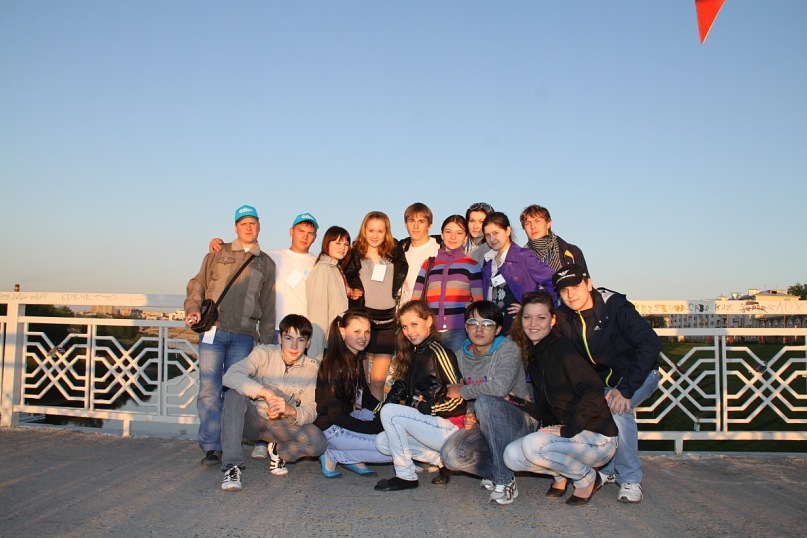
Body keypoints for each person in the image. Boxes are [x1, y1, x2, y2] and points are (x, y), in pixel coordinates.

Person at [213, 212, 319, 460]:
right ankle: (260, 441)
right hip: (276, 331)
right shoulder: (273, 256)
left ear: (315, 237)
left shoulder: (318, 262)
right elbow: (244, 251)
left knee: (296, 388)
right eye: (301, 231)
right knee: (266, 383)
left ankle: (276, 438)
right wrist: (220, 244)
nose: (305, 236)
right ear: (291, 232)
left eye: (310, 233)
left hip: (303, 333)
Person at [552, 264, 662, 503]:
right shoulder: (563, 316)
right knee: (594, 407)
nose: (570, 294)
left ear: (588, 284)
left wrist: (626, 389)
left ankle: (630, 478)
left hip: (640, 374)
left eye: (575, 286)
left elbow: (651, 343)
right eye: (563, 290)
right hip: (602, 382)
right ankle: (608, 469)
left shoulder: (614, 306)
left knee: (617, 407)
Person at [504, 291, 618, 506]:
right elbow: (549, 408)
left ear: (553, 320)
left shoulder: (562, 349)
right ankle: (561, 474)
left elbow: (593, 389)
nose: (533, 324)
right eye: (527, 317)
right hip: (571, 436)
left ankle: (586, 478)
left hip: (596, 437)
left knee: (532, 446)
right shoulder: (536, 354)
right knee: (511, 456)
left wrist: (570, 429)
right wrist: (520, 403)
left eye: (541, 317)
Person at [184, 204, 276, 469]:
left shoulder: (266, 263)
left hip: (244, 335)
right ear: (236, 227)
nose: (248, 227)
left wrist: (266, 343)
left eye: (253, 223)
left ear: (259, 227)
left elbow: (268, 304)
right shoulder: (217, 252)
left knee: (235, 393)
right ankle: (212, 447)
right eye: (243, 223)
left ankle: (231, 446)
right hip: (213, 331)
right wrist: (192, 309)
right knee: (209, 390)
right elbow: (198, 284)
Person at [439, 300, 532, 505]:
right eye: (473, 323)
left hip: (520, 420)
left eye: (487, 324)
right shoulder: (458, 357)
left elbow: (498, 389)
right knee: (451, 456)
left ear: (497, 329)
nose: (479, 329)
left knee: (486, 402)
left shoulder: (508, 349)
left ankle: (504, 481)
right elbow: (461, 396)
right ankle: (499, 469)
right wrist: (469, 413)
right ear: (466, 327)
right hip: (485, 422)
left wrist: (463, 392)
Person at [219, 314, 326, 491]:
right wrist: (265, 393)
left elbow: (311, 410)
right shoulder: (263, 354)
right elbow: (230, 376)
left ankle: (279, 452)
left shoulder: (312, 368)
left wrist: (291, 410)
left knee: (317, 442)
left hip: (280, 425)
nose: (294, 346)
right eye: (289, 338)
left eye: (300, 340)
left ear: (307, 343)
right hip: (252, 419)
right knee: (233, 395)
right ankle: (232, 466)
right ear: (280, 338)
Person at [374, 300, 466, 491]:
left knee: (390, 412)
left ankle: (405, 476)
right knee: (382, 442)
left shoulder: (439, 352)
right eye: (405, 326)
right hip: (427, 423)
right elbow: (400, 386)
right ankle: (442, 460)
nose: (409, 331)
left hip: (448, 426)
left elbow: (458, 398)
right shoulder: (413, 352)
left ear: (429, 321)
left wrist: (428, 407)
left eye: (414, 324)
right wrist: (378, 411)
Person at [314, 309, 392, 478]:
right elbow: (335, 415)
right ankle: (333, 452)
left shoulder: (354, 359)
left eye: (367, 332)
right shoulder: (335, 364)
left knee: (393, 431)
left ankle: (343, 454)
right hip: (331, 427)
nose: (363, 337)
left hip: (349, 416)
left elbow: (366, 398)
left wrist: (387, 412)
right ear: (342, 332)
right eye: (356, 331)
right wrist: (371, 428)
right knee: (392, 448)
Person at [344, 211, 408, 400]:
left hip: (387, 323)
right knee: (361, 380)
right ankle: (359, 414)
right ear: (364, 230)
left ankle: (377, 415)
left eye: (380, 231)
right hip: (363, 321)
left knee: (378, 381)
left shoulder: (394, 254)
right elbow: (342, 275)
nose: (375, 235)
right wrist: (350, 289)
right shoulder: (354, 254)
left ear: (386, 232)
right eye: (371, 230)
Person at [412, 215, 484, 352]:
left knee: (454, 365)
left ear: (466, 237)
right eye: (448, 232)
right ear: (442, 234)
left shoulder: (472, 265)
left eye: (459, 233)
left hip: (459, 331)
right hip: (429, 331)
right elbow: (415, 299)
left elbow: (479, 302)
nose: (453, 237)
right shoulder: (428, 264)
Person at [480, 211, 556, 334]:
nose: (491, 239)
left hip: (517, 329)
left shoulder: (523, 256)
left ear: (508, 231)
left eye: (496, 233)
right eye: (487, 235)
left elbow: (553, 282)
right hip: (493, 327)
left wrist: (531, 309)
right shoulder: (488, 261)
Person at [306, 226, 351, 361]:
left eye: (346, 244)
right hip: (326, 345)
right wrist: (315, 356)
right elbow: (317, 314)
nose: (342, 247)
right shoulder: (323, 269)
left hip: (335, 341)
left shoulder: (335, 269)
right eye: (338, 243)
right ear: (327, 243)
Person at [519, 204, 588, 273]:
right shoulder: (519, 259)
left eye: (537, 221)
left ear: (548, 223)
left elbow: (585, 279)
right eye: (527, 223)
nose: (533, 226)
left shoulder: (571, 252)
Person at [398, 202, 440, 305]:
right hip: (404, 311)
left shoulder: (439, 249)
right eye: (411, 221)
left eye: (421, 221)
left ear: (429, 225)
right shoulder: (400, 251)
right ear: (405, 224)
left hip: (428, 310)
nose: (415, 226)